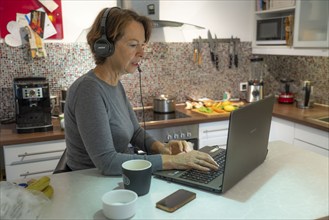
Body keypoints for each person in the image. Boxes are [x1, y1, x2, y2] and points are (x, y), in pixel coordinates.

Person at [64, 7, 219, 175]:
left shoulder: (114, 84)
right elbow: (107, 162)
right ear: (105, 46)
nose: (142, 53)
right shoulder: (88, 90)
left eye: (142, 45)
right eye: (133, 45)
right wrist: (173, 161)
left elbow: (135, 132)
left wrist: (163, 148)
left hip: (115, 181)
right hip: (89, 186)